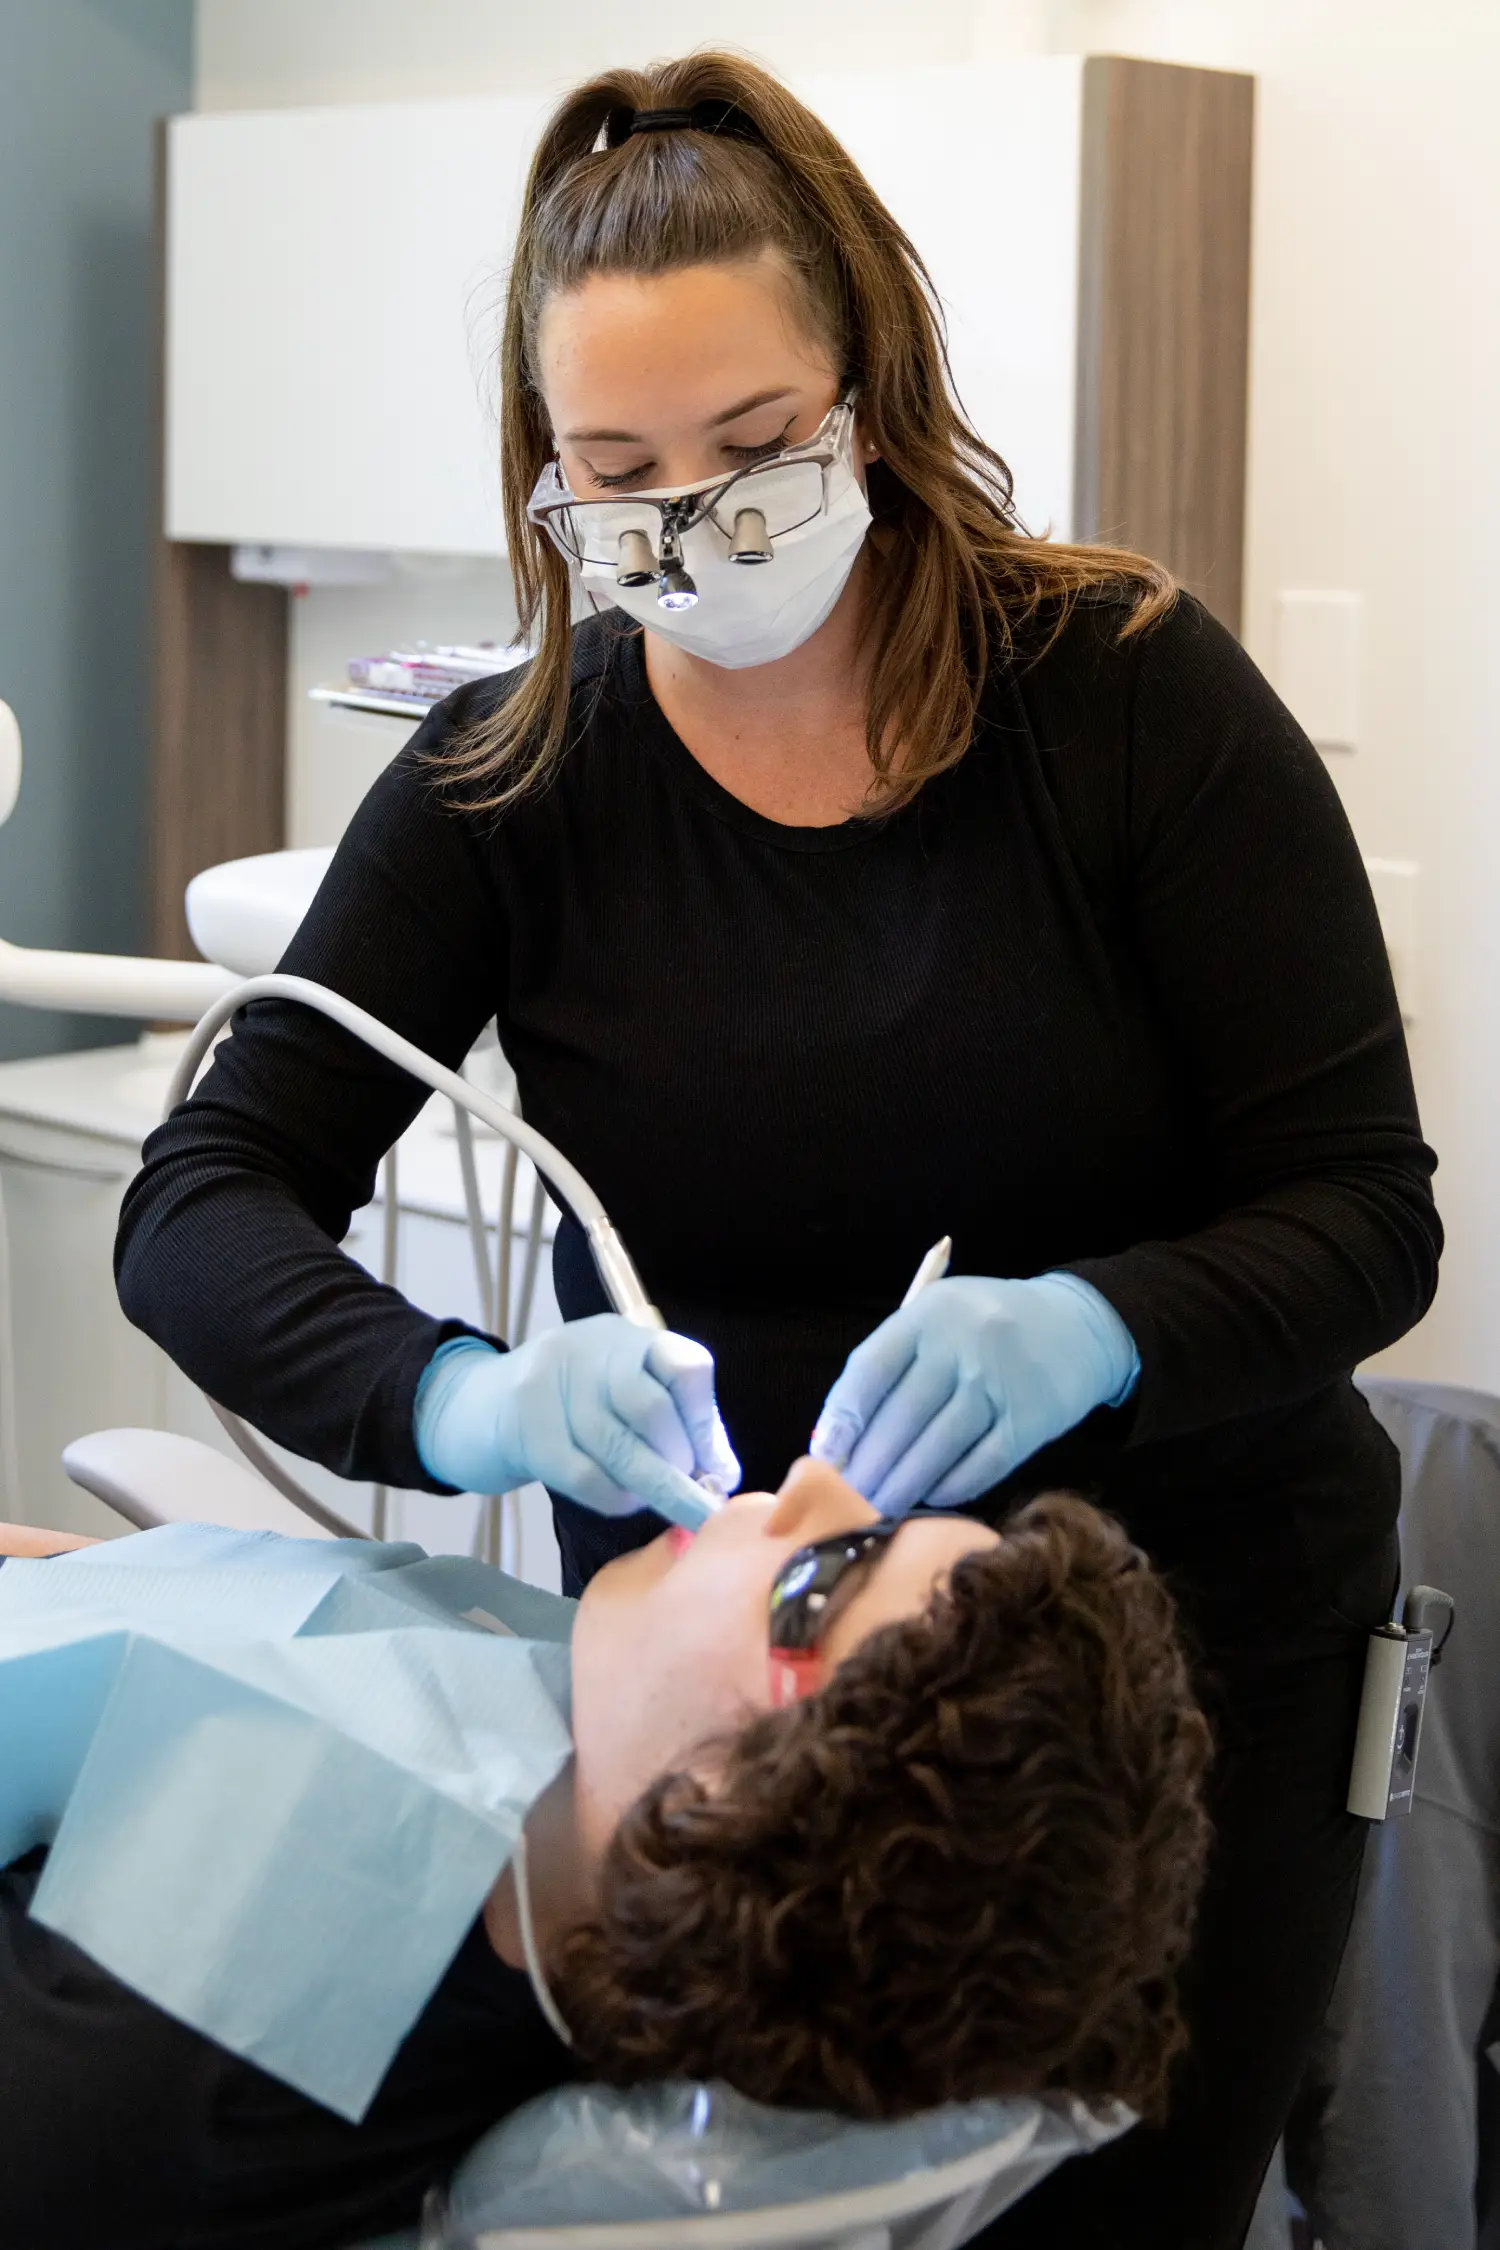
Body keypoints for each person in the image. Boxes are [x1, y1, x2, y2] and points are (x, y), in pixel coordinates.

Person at [114, 49, 1441, 2249]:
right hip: (758, 1750)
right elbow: (200, 1200)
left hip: (1176, 1690)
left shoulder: (1125, 695)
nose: (693, 523)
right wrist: (460, 1398)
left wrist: (1105, 1327)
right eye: (617, 472)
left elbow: (1370, 1216)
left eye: (752, 447)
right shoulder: (514, 778)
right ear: (544, 474)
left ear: (870, 402)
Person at [0, 1465, 1210, 2249]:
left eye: (825, 1572)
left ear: (741, 1806)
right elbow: (194, 1619)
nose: (809, 1481)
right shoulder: (563, 1794)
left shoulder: (182, 2063)